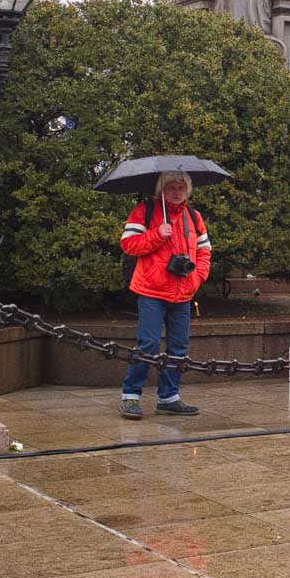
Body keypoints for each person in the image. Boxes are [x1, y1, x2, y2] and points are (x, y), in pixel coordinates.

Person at [119, 171, 211, 419]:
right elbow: (128, 245)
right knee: (148, 344)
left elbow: (204, 251)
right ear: (160, 189)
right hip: (151, 290)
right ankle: (130, 395)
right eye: (171, 186)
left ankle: (169, 397)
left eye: (181, 186)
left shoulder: (194, 216)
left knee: (178, 346)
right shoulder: (144, 211)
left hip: (183, 292)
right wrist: (157, 234)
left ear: (188, 190)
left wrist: (197, 277)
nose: (176, 191)